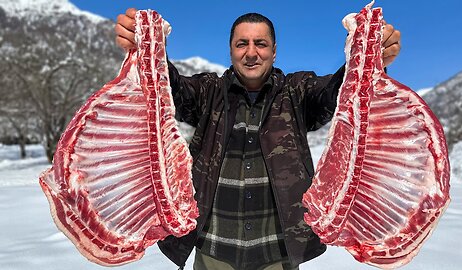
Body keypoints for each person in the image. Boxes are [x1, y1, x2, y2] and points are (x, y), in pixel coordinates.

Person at [115, 8, 401, 270]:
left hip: (277, 255)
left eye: (260, 44)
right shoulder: (208, 93)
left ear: (274, 52)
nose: (251, 53)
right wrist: (144, 45)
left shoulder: (297, 93)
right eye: (242, 44)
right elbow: (170, 86)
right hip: (214, 251)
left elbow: (339, 93)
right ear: (231, 51)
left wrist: (372, 55)